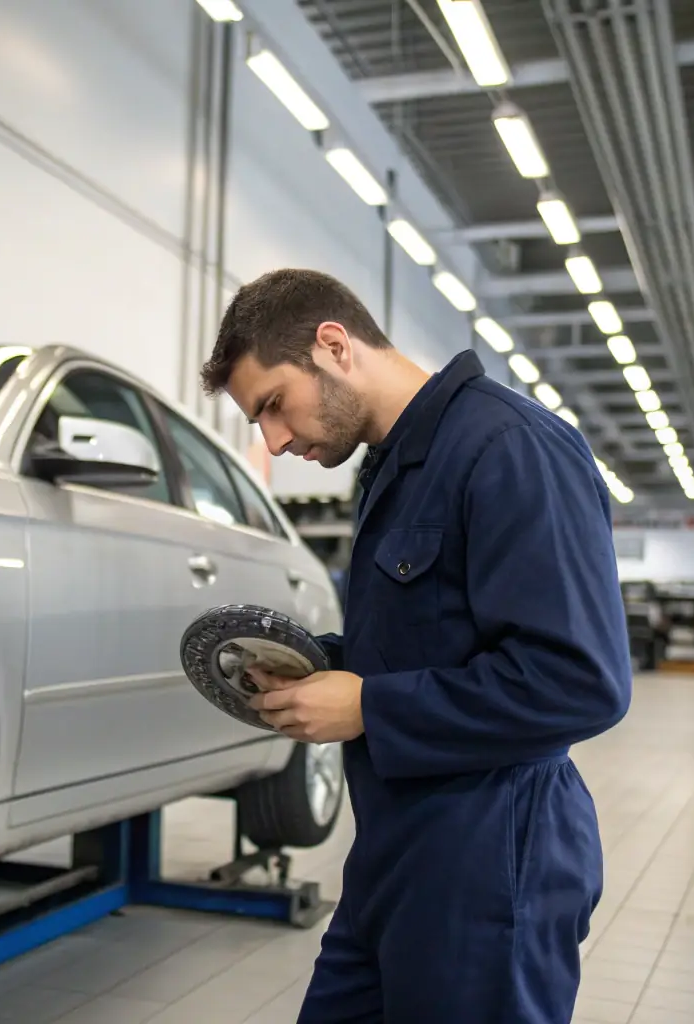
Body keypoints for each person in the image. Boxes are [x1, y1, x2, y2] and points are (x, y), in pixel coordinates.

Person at [199, 268, 633, 1023]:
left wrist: (369, 705)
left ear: (332, 346)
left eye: (272, 404)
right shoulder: (392, 469)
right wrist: (322, 667)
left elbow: (580, 681)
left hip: (494, 854)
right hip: (394, 853)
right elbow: (428, 641)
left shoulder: (509, 448)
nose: (272, 438)